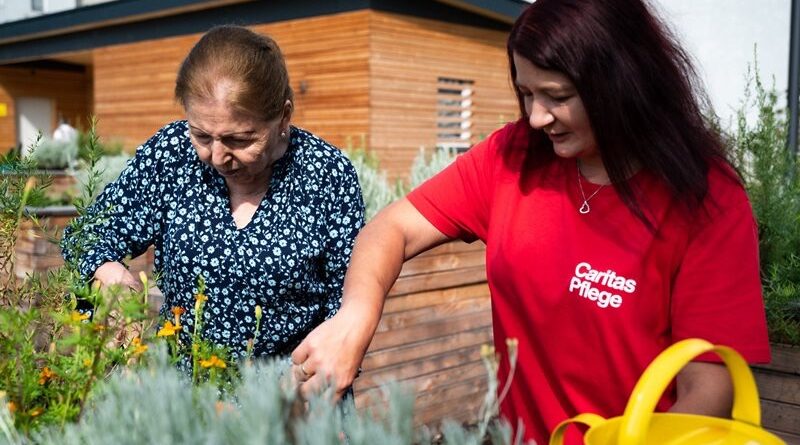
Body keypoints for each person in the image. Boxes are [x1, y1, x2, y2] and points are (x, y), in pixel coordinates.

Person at [290, 0, 771, 443]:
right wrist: (355, 317)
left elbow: (710, 383)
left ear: (622, 83)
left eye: (556, 96)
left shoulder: (705, 198)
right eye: (525, 93)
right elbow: (390, 230)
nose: (537, 117)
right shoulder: (513, 156)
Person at [61, 25, 364, 369]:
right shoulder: (173, 153)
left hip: (284, 401)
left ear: (284, 115)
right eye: (202, 135)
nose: (217, 156)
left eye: (239, 139)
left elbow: (347, 306)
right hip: (183, 400)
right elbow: (88, 233)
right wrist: (108, 271)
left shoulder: (327, 174)